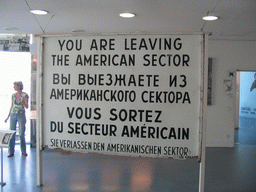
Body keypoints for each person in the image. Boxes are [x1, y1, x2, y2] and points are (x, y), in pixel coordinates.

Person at [4, 81, 29, 157]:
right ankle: (11, 151)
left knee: (21, 134)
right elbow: (12, 106)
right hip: (13, 114)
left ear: (18, 86)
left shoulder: (25, 95)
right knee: (12, 133)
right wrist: (8, 117)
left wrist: (23, 103)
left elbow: (27, 107)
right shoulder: (13, 95)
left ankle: (23, 150)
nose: (14, 87)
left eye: (15, 86)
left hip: (21, 114)